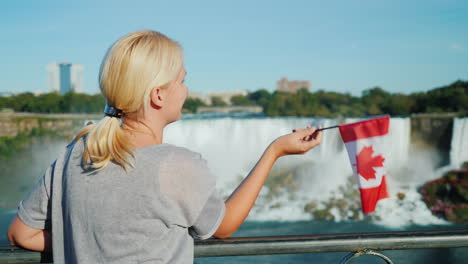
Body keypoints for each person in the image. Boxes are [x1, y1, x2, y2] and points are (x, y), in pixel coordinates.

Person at [7, 30, 322, 263]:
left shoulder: (76, 150)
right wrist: (274, 152)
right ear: (158, 94)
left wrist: (85, 244)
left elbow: (21, 234)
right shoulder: (174, 164)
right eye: (182, 81)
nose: (186, 90)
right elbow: (224, 226)